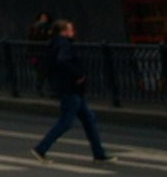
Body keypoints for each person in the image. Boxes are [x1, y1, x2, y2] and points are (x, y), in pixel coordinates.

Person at [35, 20, 111, 163]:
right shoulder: (64, 44)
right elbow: (62, 61)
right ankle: (40, 149)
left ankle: (99, 154)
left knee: (88, 119)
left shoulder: (53, 43)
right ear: (63, 32)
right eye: (71, 29)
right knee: (66, 122)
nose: (73, 32)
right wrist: (78, 74)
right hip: (69, 88)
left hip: (67, 88)